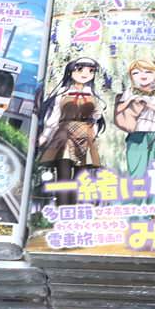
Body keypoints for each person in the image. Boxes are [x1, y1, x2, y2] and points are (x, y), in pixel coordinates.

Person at [37, 57, 105, 206]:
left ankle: (74, 210)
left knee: (81, 177)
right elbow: (55, 115)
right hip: (65, 134)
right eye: (80, 69)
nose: (85, 73)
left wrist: (95, 130)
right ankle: (62, 208)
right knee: (64, 175)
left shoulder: (93, 94)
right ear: (71, 71)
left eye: (91, 70)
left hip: (86, 135)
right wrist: (45, 135)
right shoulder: (63, 92)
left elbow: (96, 118)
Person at [115, 58, 155, 191]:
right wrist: (130, 100)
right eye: (136, 73)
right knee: (137, 171)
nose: (142, 75)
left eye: (148, 72)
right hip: (138, 133)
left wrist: (149, 104)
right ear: (131, 76)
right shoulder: (130, 91)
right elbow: (119, 109)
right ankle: (138, 200)